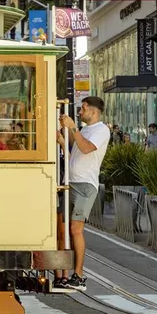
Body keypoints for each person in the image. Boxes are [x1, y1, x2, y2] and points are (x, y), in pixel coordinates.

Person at [56, 97, 110, 291]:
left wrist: (72, 128)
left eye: (83, 109)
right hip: (70, 182)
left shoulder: (102, 130)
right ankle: (62, 274)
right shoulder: (85, 130)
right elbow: (75, 156)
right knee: (62, 230)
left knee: (75, 229)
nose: (80, 112)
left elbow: (86, 148)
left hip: (86, 185)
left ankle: (78, 274)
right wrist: (63, 141)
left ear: (93, 111)